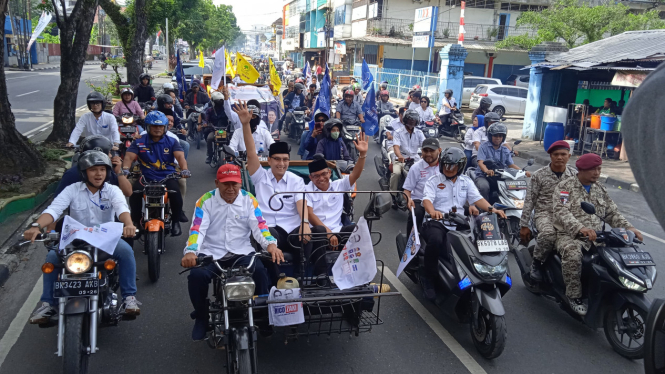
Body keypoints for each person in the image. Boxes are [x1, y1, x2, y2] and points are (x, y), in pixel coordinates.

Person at [26, 151, 140, 324]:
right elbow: (54, 210)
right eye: (93, 169)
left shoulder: (113, 190)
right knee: (51, 257)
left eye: (102, 169)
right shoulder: (72, 190)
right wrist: (36, 226)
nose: (98, 174)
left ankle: (129, 297)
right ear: (84, 172)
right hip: (75, 238)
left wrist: (129, 224)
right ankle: (47, 303)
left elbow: (122, 209)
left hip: (105, 238)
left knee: (126, 252)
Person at [181, 163, 283, 340]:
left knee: (260, 272)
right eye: (225, 184)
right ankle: (201, 317)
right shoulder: (205, 200)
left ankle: (262, 315)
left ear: (240, 183)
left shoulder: (249, 199)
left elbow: (260, 226)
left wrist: (270, 244)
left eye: (234, 184)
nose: (230, 188)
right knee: (196, 277)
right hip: (212, 252)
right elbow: (197, 229)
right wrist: (191, 251)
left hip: (241, 251)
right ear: (216, 183)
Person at [238, 101, 323, 277]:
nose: (281, 163)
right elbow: (251, 152)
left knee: (317, 232)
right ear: (269, 161)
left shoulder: (296, 180)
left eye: (285, 160)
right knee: (269, 233)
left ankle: (304, 277)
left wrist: (304, 223)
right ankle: (277, 281)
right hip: (269, 230)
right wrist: (246, 124)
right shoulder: (260, 176)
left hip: (292, 230)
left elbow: (301, 203)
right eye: (277, 159)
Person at [553, 153, 642, 315]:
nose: (597, 172)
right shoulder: (565, 187)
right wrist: (580, 228)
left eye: (599, 169)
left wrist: (629, 228)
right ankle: (573, 296)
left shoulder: (599, 188)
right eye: (592, 169)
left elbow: (612, 213)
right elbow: (561, 211)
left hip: (597, 235)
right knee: (572, 254)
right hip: (570, 235)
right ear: (581, 170)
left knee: (618, 255)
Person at [421, 147, 505, 300]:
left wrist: (492, 209)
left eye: (452, 166)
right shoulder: (433, 181)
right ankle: (429, 279)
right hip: (437, 222)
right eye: (446, 165)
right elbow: (427, 199)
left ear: (460, 167)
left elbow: (477, 199)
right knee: (436, 241)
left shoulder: (466, 181)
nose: (448, 168)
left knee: (473, 246)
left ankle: (475, 276)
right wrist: (433, 211)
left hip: (460, 223)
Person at [122, 111, 190, 237]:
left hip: (167, 176)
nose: (157, 129)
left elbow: (180, 157)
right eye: (154, 126)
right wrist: (125, 169)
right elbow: (128, 158)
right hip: (146, 177)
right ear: (148, 127)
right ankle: (135, 221)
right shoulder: (139, 141)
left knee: (175, 193)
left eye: (160, 126)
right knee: (135, 193)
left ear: (164, 127)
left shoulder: (172, 141)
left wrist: (184, 169)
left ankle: (175, 221)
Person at [520, 140, 577, 282]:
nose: (559, 157)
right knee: (548, 235)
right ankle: (537, 264)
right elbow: (530, 200)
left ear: (568, 156)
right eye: (556, 154)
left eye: (563, 154)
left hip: (567, 215)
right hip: (544, 214)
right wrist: (524, 225)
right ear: (550, 156)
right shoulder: (539, 175)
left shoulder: (574, 175)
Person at [304, 134, 368, 257]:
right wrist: (328, 233)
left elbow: (356, 174)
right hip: (317, 233)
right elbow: (310, 214)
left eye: (323, 174)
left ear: (329, 173)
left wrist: (362, 155)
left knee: (359, 229)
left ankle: (356, 271)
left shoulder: (339, 185)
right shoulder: (306, 190)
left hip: (338, 231)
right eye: (316, 176)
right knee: (319, 232)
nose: (321, 178)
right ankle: (322, 274)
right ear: (310, 178)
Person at [56, 135, 132, 197]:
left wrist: (119, 172)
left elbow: (128, 193)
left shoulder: (110, 170)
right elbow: (59, 200)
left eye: (102, 170)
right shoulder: (72, 174)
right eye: (109, 152)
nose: (111, 155)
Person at [475, 123, 531, 201]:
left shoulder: (505, 150)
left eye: (500, 136)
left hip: (501, 176)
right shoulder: (483, 147)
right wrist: (487, 171)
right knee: (484, 187)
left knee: (513, 187)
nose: (498, 138)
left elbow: (511, 165)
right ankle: (484, 209)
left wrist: (523, 171)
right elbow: (481, 162)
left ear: (503, 137)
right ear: (490, 136)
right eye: (495, 136)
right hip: (484, 176)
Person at [403, 138, 441, 235]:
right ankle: (410, 245)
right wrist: (408, 200)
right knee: (416, 214)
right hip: (420, 201)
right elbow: (407, 190)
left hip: (440, 201)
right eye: (425, 151)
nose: (428, 154)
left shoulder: (445, 166)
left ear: (439, 150)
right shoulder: (416, 167)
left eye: (432, 151)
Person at [391, 110, 425, 203]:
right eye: (410, 120)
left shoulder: (419, 133)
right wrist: (400, 156)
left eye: (414, 120)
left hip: (415, 160)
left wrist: (424, 155)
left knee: (423, 175)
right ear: (406, 120)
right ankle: (393, 195)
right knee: (396, 174)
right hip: (401, 159)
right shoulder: (398, 132)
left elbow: (424, 145)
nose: (412, 122)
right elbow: (396, 146)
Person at [204, 91, 230, 163]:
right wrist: (205, 123)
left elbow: (230, 117)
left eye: (220, 101)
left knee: (230, 139)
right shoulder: (209, 110)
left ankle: (230, 155)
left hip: (225, 130)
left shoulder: (226, 109)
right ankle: (210, 155)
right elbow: (206, 119)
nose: (219, 103)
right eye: (217, 101)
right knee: (209, 138)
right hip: (214, 130)